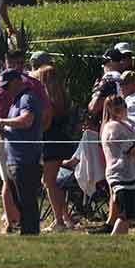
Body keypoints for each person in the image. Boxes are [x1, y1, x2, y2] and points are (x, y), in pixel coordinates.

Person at [0, 68, 45, 234]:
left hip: (26, 159)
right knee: (19, 201)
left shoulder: (27, 98)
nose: (5, 89)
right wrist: (1, 130)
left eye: (7, 86)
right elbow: (16, 129)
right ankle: (26, 231)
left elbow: (26, 120)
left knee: (27, 201)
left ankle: (31, 233)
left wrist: (2, 121)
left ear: (17, 82)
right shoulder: (16, 101)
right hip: (14, 159)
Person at [32, 62, 78, 230]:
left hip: (51, 144)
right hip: (63, 143)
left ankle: (59, 221)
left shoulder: (48, 102)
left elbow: (45, 124)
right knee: (52, 182)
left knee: (49, 182)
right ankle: (66, 218)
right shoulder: (64, 99)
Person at [102, 93, 135, 234]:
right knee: (125, 215)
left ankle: (120, 242)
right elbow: (131, 149)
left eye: (124, 106)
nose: (123, 109)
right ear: (111, 110)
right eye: (119, 107)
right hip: (121, 175)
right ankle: (115, 241)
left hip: (128, 174)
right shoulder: (113, 127)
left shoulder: (124, 125)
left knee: (127, 215)